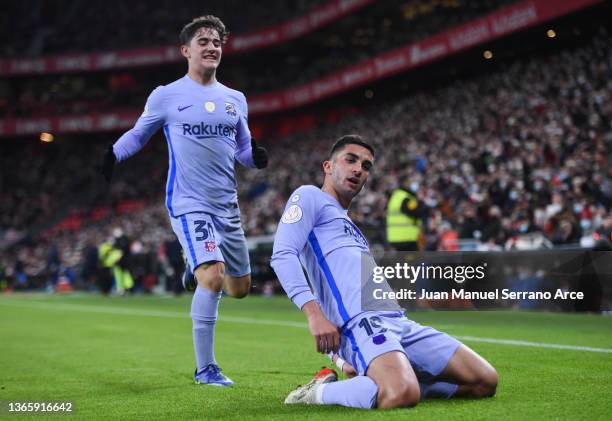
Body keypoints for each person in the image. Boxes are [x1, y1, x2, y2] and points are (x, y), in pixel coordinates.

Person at [100, 15, 268, 386]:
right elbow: (139, 134)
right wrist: (112, 155)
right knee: (213, 275)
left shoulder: (234, 99)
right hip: (189, 202)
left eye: (217, 42)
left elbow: (242, 148)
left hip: (227, 206)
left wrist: (254, 158)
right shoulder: (166, 95)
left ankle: (190, 268)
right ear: (186, 50)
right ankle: (205, 369)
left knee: (238, 289)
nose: (212, 47)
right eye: (204, 41)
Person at [271, 135, 497, 409]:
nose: (359, 169)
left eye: (366, 166)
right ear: (328, 167)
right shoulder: (309, 196)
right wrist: (314, 316)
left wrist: (341, 359)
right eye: (351, 160)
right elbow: (283, 255)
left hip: (399, 322)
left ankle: (389, 378)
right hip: (362, 323)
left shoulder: (350, 224)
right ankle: (317, 393)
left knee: (484, 381)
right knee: (401, 394)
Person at [386, 175, 428, 251]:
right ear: (405, 183)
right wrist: (421, 202)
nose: (414, 184)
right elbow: (416, 212)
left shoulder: (397, 195)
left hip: (397, 237)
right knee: (411, 261)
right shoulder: (405, 198)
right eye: (411, 181)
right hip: (406, 238)